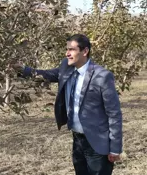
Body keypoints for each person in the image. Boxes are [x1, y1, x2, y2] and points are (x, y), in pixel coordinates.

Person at [13, 34, 122, 175]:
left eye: (71, 50)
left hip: (98, 144)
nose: (67, 53)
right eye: (67, 49)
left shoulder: (102, 76)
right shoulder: (66, 67)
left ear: (85, 51)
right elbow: (46, 74)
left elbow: (114, 113)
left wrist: (115, 148)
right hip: (77, 141)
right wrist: (21, 69)